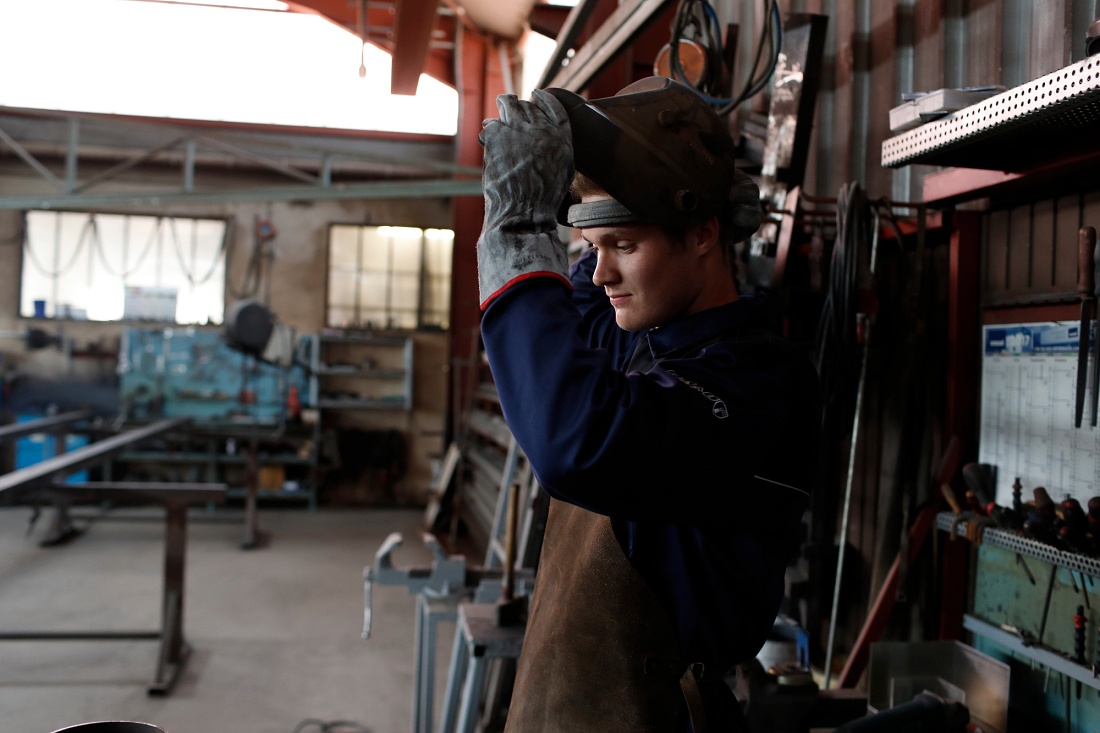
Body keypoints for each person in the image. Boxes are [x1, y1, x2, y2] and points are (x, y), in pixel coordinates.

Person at [476, 76, 822, 732]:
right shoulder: (638, 333)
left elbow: (576, 439)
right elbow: (570, 303)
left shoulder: (756, 383)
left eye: (625, 246)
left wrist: (518, 226)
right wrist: (581, 162)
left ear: (702, 235)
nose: (601, 273)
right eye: (591, 249)